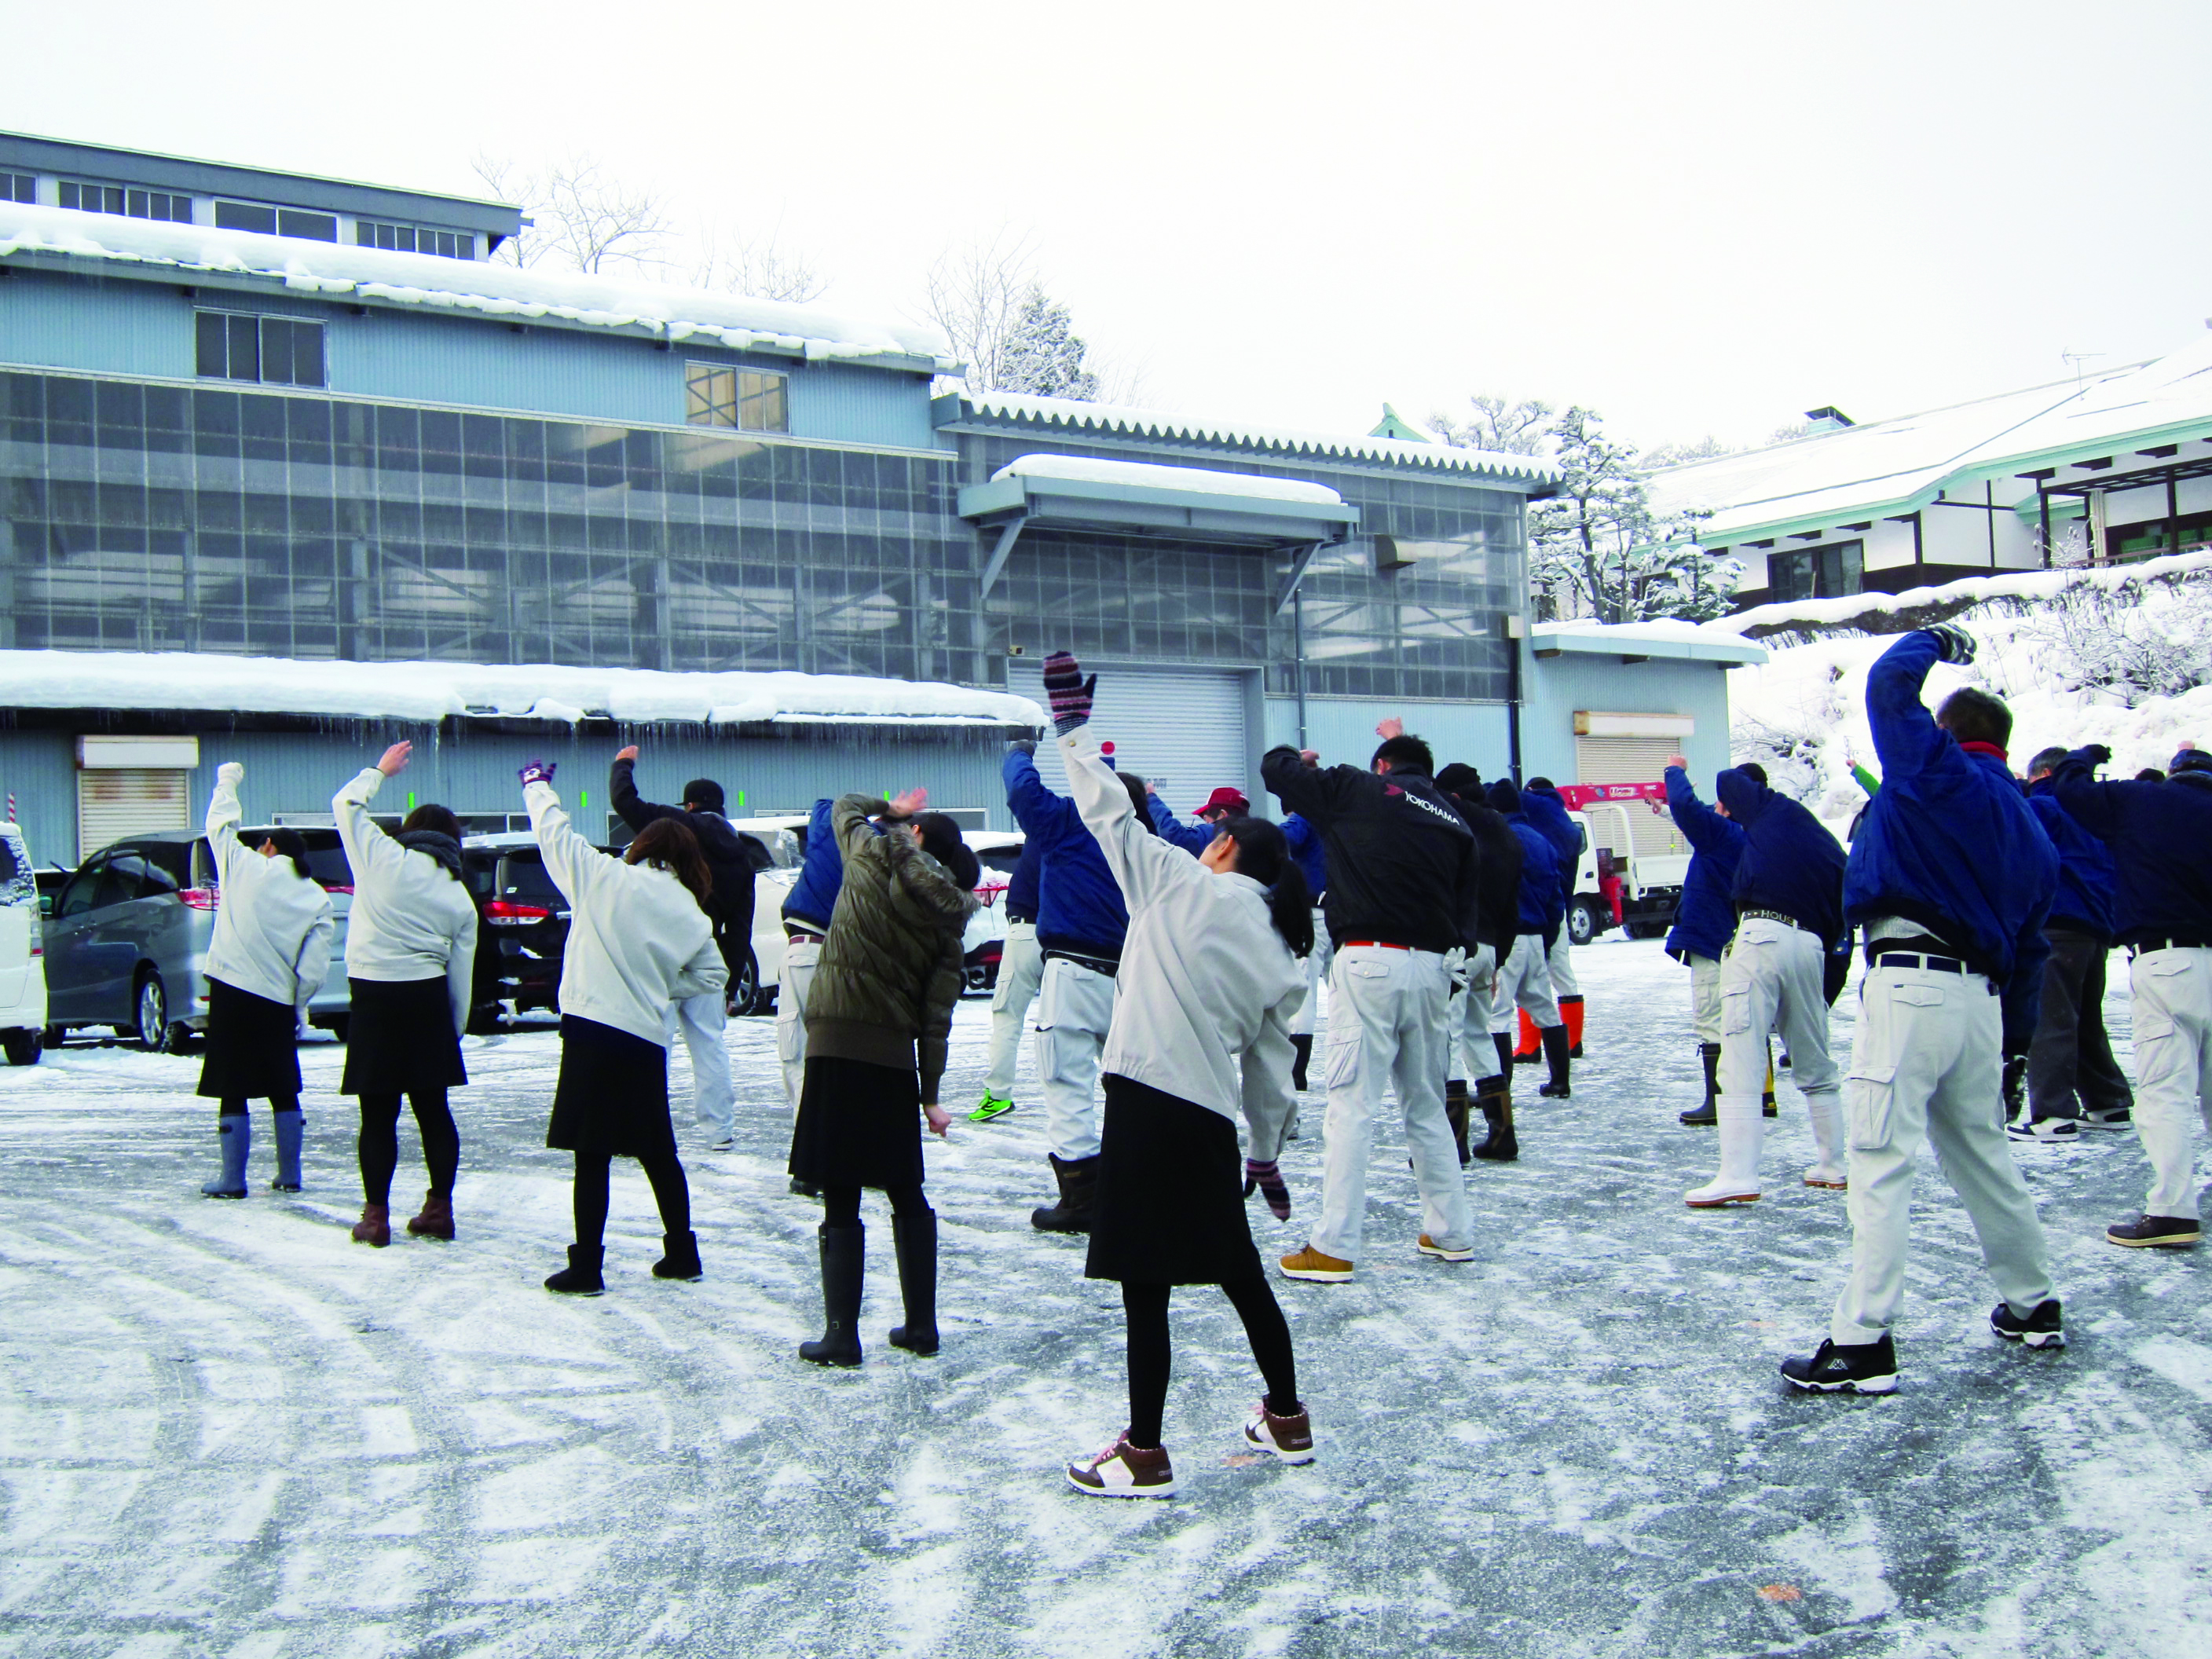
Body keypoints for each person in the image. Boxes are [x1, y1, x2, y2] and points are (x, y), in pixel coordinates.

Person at [1041, 657, 1315, 1497]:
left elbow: (1106, 815)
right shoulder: (1282, 950)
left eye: (1215, 831)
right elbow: (1273, 1077)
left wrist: (1071, 728)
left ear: (1226, 847)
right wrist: (1263, 1159)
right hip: (1209, 1122)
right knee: (1237, 1272)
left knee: (1143, 1282)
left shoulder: (1175, 883)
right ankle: (1287, 1418)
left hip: (1142, 1103)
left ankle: (1145, 1452)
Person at [1782, 626, 2065, 1392]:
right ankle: (2031, 1302)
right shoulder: (2032, 830)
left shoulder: (1935, 772)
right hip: (1979, 1001)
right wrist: (2011, 1048)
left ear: (1946, 733)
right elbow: (2034, 950)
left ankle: (1862, 1341)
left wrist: (1930, 639)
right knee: (1981, 1157)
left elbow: (1885, 688)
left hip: (1909, 981)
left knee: (1878, 1159)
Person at [1262, 720, 1480, 1284]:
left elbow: (1273, 768)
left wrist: (1299, 759)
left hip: (1369, 959)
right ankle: (1450, 1230)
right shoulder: (1455, 820)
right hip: (1434, 966)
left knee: (1351, 1105)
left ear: (1383, 764)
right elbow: (1469, 908)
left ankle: (1333, 1245)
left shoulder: (1361, 788)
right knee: (1427, 1104)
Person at [522, 761, 727, 1295]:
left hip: (592, 1029)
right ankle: (681, 1251)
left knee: (592, 1154)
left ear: (641, 845)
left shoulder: (604, 876)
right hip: (644, 1038)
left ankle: (587, 1266)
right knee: (657, 1151)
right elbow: (712, 974)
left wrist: (536, 785)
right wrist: (659, 983)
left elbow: (553, 835)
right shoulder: (691, 913)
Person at [787, 800, 978, 1365]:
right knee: (904, 1189)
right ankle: (922, 1326)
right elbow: (936, 1018)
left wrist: (889, 808)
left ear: (914, 834)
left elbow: (842, 807)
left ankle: (841, 1335)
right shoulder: (948, 920)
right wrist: (931, 1096)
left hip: (837, 1039)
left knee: (841, 1191)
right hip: (893, 1057)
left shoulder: (870, 853)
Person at [1005, 703, 1179, 1233]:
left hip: (1074, 975)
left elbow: (1022, 793)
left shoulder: (1068, 825)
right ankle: (1152, 1186)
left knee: (1067, 1083)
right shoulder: (1152, 843)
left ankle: (1081, 1197)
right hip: (1134, 980)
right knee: (1137, 1087)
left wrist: (1018, 749)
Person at [2052, 740, 2212, 1250]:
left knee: (2165, 1092)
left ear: (2175, 772)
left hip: (2168, 959)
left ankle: (2172, 1211)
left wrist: (2086, 755)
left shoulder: (2144, 799)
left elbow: (2069, 791)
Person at [334, 744, 478, 1248]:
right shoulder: (459, 895)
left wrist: (379, 771)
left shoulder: (381, 857)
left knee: (377, 1116)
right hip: (427, 1003)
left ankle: (375, 1220)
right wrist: (451, 1029)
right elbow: (461, 974)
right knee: (433, 1110)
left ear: (411, 829)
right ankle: (439, 1210)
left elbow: (345, 806)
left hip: (374, 997)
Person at [195, 763, 333, 1199]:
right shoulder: (316, 895)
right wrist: (298, 1002)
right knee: (282, 1084)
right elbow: (314, 966)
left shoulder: (242, 865)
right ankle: (289, 1174)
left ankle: (233, 1180)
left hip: (233, 991)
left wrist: (229, 780)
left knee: (231, 1085)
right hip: (277, 999)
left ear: (268, 845)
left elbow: (220, 823)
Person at [610, 749, 758, 1152]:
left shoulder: (683, 825)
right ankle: (719, 1131)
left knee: (654, 1041)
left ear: (691, 804)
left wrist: (623, 765)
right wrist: (728, 982)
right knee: (709, 1044)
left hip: (663, 949)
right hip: (708, 956)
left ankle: (643, 1126)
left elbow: (625, 803)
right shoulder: (743, 855)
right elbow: (740, 927)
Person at [778, 787, 925, 1124]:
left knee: (799, 1054)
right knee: (842, 1059)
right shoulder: (895, 863)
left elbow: (827, 804)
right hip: (856, 970)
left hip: (810, 949)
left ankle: (814, 1150)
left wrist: (890, 805)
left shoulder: (835, 833)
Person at [2016, 745, 2130, 1141]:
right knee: (2083, 1017)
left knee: (2050, 1018)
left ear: (2044, 776)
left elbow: (2022, 853)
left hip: (2058, 922)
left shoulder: (2045, 806)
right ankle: (2108, 1101)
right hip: (2095, 926)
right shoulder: (2097, 815)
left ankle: (2052, 1114)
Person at [1437, 763, 1522, 1162]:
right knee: (1477, 1034)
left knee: (1449, 1038)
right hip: (1489, 946)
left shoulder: (1454, 824)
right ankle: (1502, 1134)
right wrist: (1498, 960)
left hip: (1456, 946)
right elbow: (1511, 907)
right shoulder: (1506, 833)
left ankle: (1453, 1142)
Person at [1663, 757, 1750, 1128]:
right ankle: (1759, 1096)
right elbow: (1687, 815)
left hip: (1711, 939)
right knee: (1743, 1021)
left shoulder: (1723, 834)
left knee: (1711, 1020)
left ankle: (1717, 1102)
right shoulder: (1753, 836)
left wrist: (1676, 770)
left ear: (1728, 805)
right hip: (1736, 938)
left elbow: (1687, 808)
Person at [1485, 778, 1571, 1101]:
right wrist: (1547, 940)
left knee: (1496, 1012)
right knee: (1544, 1008)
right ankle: (1560, 1081)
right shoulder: (1541, 841)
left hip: (1508, 938)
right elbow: (1556, 897)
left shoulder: (1500, 840)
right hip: (1536, 935)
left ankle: (1497, 1087)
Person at [972, 835, 1042, 1123]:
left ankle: (998, 1094)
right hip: (1070, 939)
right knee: (1083, 1017)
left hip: (1026, 932)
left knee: (1007, 1015)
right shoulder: (1086, 842)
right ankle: (1119, 1081)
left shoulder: (1044, 837)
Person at [1518, 777, 1587, 1060]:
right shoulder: (1565, 823)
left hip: (1538, 907)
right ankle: (1572, 1042)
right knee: (1559, 971)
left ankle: (1530, 1045)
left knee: (1529, 975)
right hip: (1559, 906)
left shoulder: (1539, 813)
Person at [1281, 808, 1331, 1096]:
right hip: (1340, 912)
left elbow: (1286, 838)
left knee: (1304, 991)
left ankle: (1296, 1073)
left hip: (1312, 912)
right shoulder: (1337, 814)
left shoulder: (1304, 814)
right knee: (1341, 991)